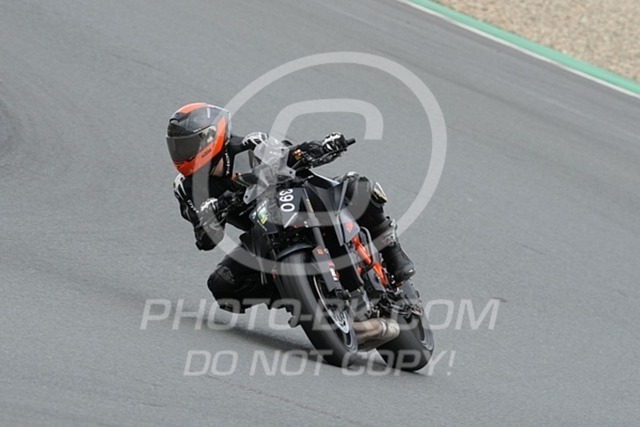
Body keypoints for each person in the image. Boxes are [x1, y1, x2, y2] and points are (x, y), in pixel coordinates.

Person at [166, 103, 414, 340]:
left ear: (212, 137)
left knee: (356, 185)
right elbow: (205, 240)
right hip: (262, 232)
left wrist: (319, 147)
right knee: (223, 285)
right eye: (178, 148)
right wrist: (212, 215)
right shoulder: (187, 188)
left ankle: (394, 256)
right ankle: (303, 297)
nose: (183, 153)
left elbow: (289, 154)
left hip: (297, 200)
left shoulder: (249, 145)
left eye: (189, 145)